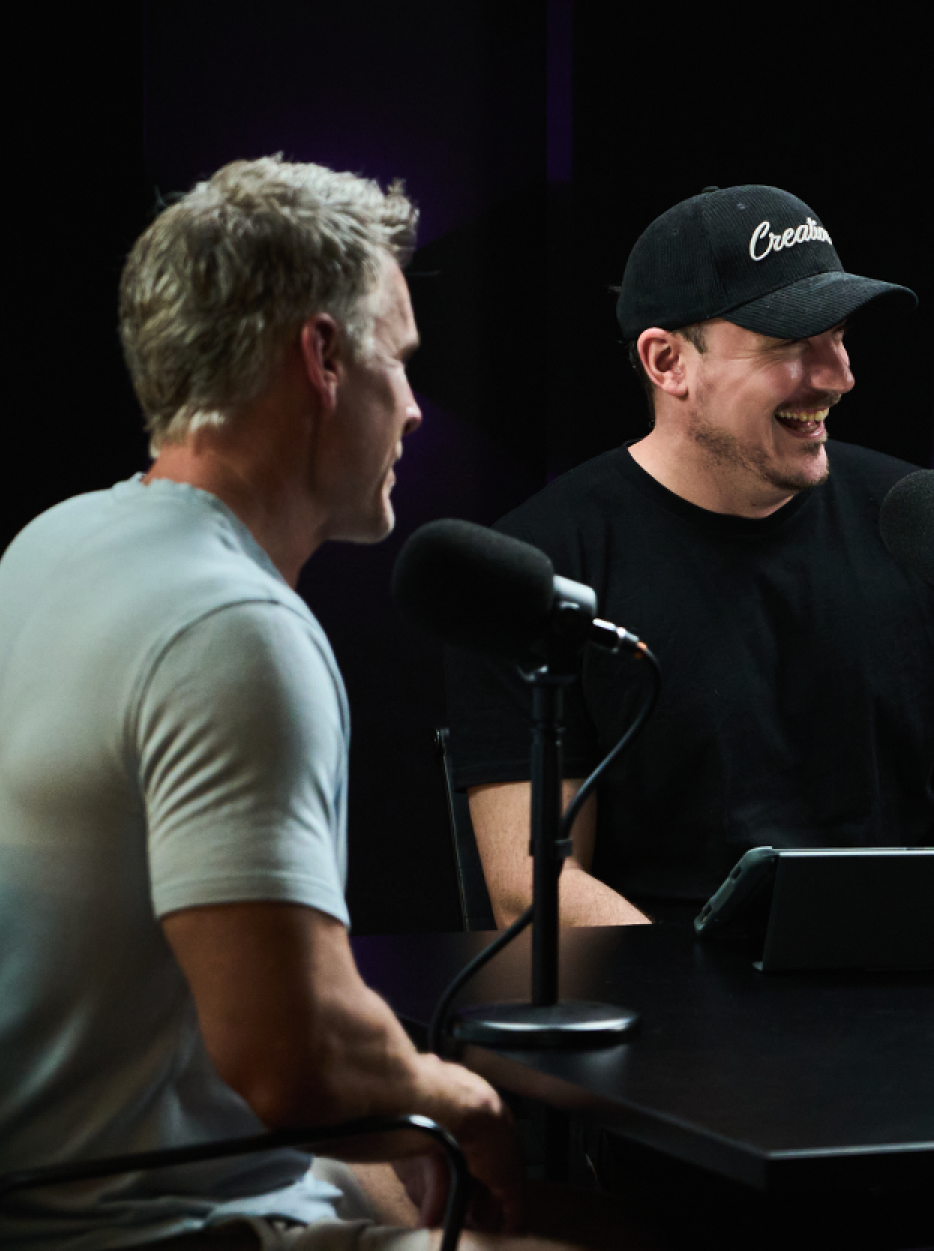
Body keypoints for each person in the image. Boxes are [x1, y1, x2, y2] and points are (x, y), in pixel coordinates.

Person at [0, 157, 562, 1250]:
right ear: (322, 356)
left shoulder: (53, 544)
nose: (413, 410)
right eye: (399, 362)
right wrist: (462, 1099)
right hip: (161, 1223)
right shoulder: (232, 625)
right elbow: (288, 1059)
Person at [445, 184, 934, 926]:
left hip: (901, 977)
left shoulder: (931, 530)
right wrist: (701, 986)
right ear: (668, 361)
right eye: (792, 345)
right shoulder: (540, 568)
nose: (839, 375)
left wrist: (918, 950)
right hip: (658, 988)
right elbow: (532, 879)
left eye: (839, 335)